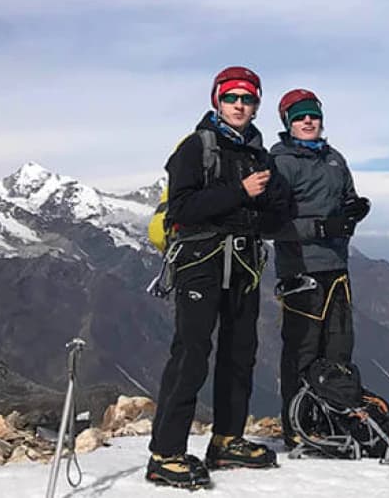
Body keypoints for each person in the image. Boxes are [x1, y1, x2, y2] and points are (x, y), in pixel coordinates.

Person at [147, 67, 292, 489]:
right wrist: (241, 193)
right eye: (231, 97)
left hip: (243, 263)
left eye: (247, 99)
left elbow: (276, 213)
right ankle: (165, 453)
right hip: (201, 262)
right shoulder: (196, 147)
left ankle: (227, 439)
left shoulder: (258, 153)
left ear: (257, 105)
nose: (239, 105)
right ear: (217, 101)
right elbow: (182, 208)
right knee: (191, 354)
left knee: (239, 352)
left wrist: (264, 205)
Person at [268, 88, 371, 449]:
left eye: (313, 115)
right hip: (300, 270)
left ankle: (332, 421)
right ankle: (297, 426)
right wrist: (322, 228)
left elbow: (346, 202)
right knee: (302, 349)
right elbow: (270, 225)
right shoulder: (279, 162)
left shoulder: (335, 159)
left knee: (339, 347)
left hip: (337, 266)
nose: (308, 121)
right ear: (288, 123)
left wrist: (356, 209)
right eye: (300, 117)